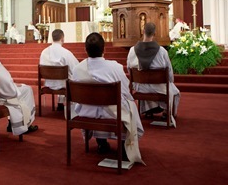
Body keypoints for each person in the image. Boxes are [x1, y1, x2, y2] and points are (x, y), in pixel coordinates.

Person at [72, 32, 144, 163]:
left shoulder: (77, 69)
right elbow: (125, 91)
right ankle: (124, 143)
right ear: (104, 49)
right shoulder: (115, 67)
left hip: (88, 113)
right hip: (112, 115)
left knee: (95, 106)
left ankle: (101, 142)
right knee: (129, 105)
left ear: (85, 50)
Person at [127, 22, 180, 123]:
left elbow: (129, 70)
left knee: (146, 85)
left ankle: (148, 110)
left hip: (140, 86)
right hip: (159, 87)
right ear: (154, 33)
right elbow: (169, 71)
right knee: (174, 91)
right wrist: (170, 81)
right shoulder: (162, 51)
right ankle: (166, 112)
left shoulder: (132, 51)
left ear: (143, 31)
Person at [39, 29, 79, 111]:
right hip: (63, 85)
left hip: (49, 83)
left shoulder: (44, 52)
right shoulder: (66, 53)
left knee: (62, 76)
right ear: (62, 38)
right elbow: (76, 67)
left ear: (52, 38)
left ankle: (60, 102)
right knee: (70, 75)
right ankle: (73, 107)